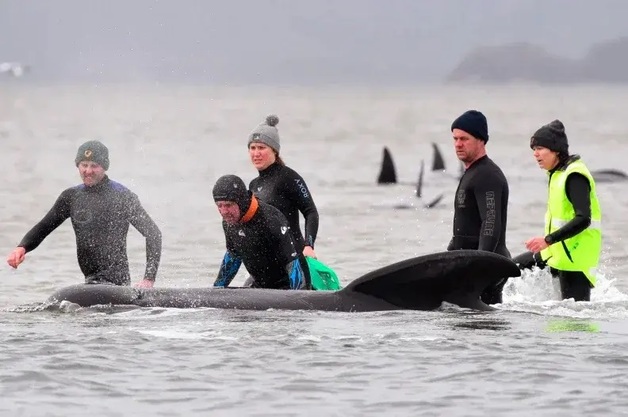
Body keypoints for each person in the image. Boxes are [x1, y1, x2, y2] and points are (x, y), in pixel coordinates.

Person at [6, 140, 162, 288]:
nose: (88, 171)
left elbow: (153, 234)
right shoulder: (71, 197)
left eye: (94, 166)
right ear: (77, 165)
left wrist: (148, 279)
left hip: (117, 286)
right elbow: (44, 226)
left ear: (104, 167)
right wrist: (22, 248)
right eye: (84, 165)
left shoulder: (122, 196)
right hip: (90, 283)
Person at [518, 119, 601, 302]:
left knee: (573, 322)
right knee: (511, 268)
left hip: (575, 260)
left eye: (540, 148)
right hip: (556, 252)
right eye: (534, 150)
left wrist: (548, 240)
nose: (535, 154)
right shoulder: (557, 174)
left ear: (556, 150)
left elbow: (584, 218)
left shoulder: (574, 176)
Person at [447, 110, 511, 304]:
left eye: (464, 138)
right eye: (455, 138)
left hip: (485, 268)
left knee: (481, 330)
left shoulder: (487, 175)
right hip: (473, 264)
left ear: (481, 140)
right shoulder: (473, 173)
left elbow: (490, 222)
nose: (458, 144)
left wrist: (480, 265)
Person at [212, 174, 311, 290]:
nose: (224, 211)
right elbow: (233, 257)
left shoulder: (270, 219)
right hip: (260, 287)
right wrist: (216, 290)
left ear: (241, 201)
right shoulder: (229, 222)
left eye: (228, 205)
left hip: (287, 288)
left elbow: (293, 265)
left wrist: (298, 298)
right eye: (219, 205)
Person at [246, 115, 319, 259]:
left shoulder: (288, 177)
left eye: (261, 147)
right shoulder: (253, 185)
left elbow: (311, 212)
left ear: (274, 151)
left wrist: (309, 245)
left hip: (294, 256)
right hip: (269, 260)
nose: (256, 153)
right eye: (252, 148)